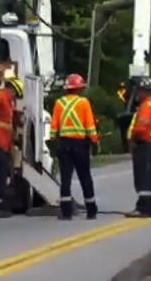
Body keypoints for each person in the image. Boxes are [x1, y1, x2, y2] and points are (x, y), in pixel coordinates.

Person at [49, 73, 100, 220]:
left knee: (65, 179)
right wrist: (94, 141)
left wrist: (53, 141)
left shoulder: (59, 103)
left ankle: (66, 213)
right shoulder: (84, 103)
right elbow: (90, 125)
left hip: (64, 145)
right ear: (79, 89)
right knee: (85, 177)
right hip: (80, 145)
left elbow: (54, 126)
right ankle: (91, 211)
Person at [0, 75, 24, 218]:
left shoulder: (8, 101)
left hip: (4, 143)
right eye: (16, 94)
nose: (15, 97)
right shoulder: (0, 96)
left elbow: (8, 116)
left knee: (2, 175)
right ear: (12, 89)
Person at [125, 82, 151, 218]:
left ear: (145, 91)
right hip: (150, 145)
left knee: (143, 178)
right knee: (149, 178)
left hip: (144, 145)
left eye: (139, 91)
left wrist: (133, 139)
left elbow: (141, 127)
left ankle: (143, 208)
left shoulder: (146, 106)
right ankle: (150, 207)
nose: (137, 94)